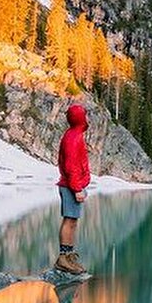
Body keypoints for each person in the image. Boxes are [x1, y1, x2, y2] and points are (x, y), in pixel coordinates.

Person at [55, 103, 91, 275]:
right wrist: (77, 188)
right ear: (80, 118)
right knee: (70, 221)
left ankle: (68, 255)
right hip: (71, 186)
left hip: (73, 185)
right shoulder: (73, 137)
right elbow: (71, 166)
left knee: (72, 221)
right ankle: (63, 258)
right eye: (86, 115)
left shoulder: (74, 135)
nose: (88, 118)